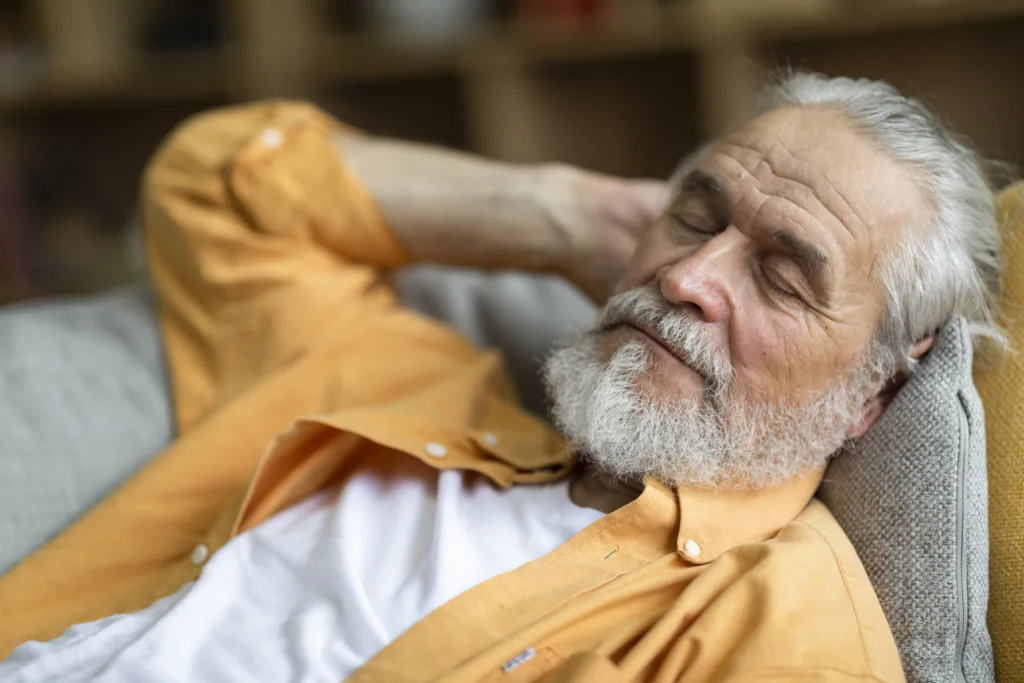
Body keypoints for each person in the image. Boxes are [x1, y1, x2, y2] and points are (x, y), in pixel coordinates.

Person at [0, 71, 1002, 682]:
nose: (687, 278)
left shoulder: (773, 637)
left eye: (782, 275)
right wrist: (572, 215)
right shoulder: (405, 377)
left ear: (872, 390)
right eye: (694, 214)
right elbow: (220, 185)